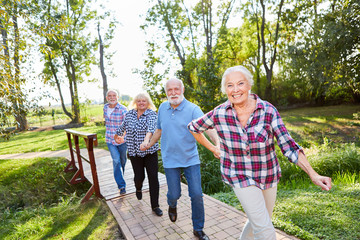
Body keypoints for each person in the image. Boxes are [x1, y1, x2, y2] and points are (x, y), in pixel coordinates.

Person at [187, 65, 332, 240]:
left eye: (240, 83)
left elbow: (288, 144)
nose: (235, 89)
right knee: (265, 229)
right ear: (225, 90)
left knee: (262, 221)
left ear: (249, 85)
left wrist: (313, 174)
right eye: (230, 85)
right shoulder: (219, 113)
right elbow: (194, 127)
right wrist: (213, 147)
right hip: (238, 175)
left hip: (267, 175)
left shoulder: (268, 111)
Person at [141, 78, 219, 240]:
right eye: (170, 90)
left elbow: (208, 128)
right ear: (166, 92)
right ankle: (172, 204)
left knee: (196, 194)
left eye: (176, 89)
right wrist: (149, 144)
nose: (173, 92)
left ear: (182, 90)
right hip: (170, 160)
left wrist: (217, 144)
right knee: (174, 194)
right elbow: (159, 130)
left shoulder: (192, 109)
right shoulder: (162, 107)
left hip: (191, 159)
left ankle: (198, 229)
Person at [114, 92, 163, 217]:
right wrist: (116, 137)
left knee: (153, 178)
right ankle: (138, 188)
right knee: (139, 177)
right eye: (139, 101)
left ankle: (155, 205)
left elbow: (151, 129)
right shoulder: (129, 114)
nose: (141, 103)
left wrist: (147, 141)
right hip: (134, 152)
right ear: (136, 102)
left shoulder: (151, 114)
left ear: (148, 103)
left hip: (149, 151)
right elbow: (122, 128)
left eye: (144, 101)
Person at [104, 89, 128, 194]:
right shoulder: (105, 108)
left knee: (122, 161)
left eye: (114, 95)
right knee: (116, 160)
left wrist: (122, 136)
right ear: (107, 98)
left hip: (122, 141)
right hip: (110, 139)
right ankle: (121, 186)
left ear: (117, 97)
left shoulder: (123, 109)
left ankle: (120, 176)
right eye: (110, 96)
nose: (112, 97)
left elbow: (128, 124)